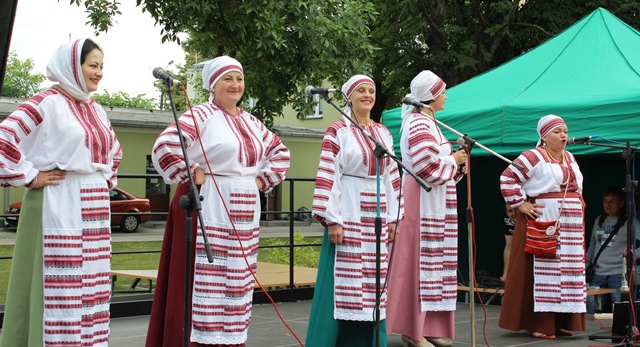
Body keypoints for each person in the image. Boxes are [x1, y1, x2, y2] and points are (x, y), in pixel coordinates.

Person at [146, 56, 290, 347]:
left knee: (237, 278)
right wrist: (192, 173)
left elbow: (281, 153)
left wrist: (261, 182)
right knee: (205, 277)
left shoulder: (251, 121)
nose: (235, 85)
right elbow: (164, 146)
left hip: (245, 205)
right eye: (227, 79)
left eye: (239, 79)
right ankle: (198, 340)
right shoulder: (200, 115)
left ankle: (230, 339)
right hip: (207, 201)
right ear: (213, 84)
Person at [0, 38, 122, 347]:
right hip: (58, 199)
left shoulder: (97, 110)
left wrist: (103, 179)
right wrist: (30, 175)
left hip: (93, 207)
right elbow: (5, 138)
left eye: (101, 67)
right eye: (92, 66)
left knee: (90, 285)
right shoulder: (47, 102)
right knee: (60, 284)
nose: (99, 73)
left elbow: (114, 151)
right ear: (72, 66)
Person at [305, 75, 403, 347]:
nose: (367, 95)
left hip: (377, 209)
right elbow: (328, 174)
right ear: (349, 95)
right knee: (343, 282)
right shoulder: (338, 130)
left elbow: (392, 176)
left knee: (373, 281)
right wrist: (332, 220)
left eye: (371, 91)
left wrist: (394, 218)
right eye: (361, 90)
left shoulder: (382, 133)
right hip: (347, 205)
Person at [386, 70, 467, 347]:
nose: (446, 95)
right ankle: (412, 330)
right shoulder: (419, 124)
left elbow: (438, 166)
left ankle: (429, 327)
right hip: (421, 198)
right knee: (419, 265)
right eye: (442, 91)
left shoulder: (430, 123)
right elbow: (424, 167)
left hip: (436, 200)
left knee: (436, 265)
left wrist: (458, 163)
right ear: (431, 97)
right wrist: (454, 160)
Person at [499, 114, 585, 339]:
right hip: (543, 218)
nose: (564, 135)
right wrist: (521, 204)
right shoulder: (533, 156)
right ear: (544, 136)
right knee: (544, 269)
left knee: (567, 271)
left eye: (565, 131)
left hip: (569, 224)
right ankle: (540, 323)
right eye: (557, 131)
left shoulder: (570, 157)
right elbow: (507, 178)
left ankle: (561, 320)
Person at [586, 186, 639, 314]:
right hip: (597, 273)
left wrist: (632, 255)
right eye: (605, 201)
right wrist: (586, 264)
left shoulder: (630, 222)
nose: (607, 205)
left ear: (621, 203)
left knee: (619, 311)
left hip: (618, 275)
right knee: (590, 308)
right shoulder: (599, 220)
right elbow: (592, 245)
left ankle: (618, 334)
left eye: (612, 202)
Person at [501, 203, 518, 282]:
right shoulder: (507, 219)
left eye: (516, 209)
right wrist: (505, 275)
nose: (514, 213)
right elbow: (509, 247)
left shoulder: (531, 217)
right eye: (510, 211)